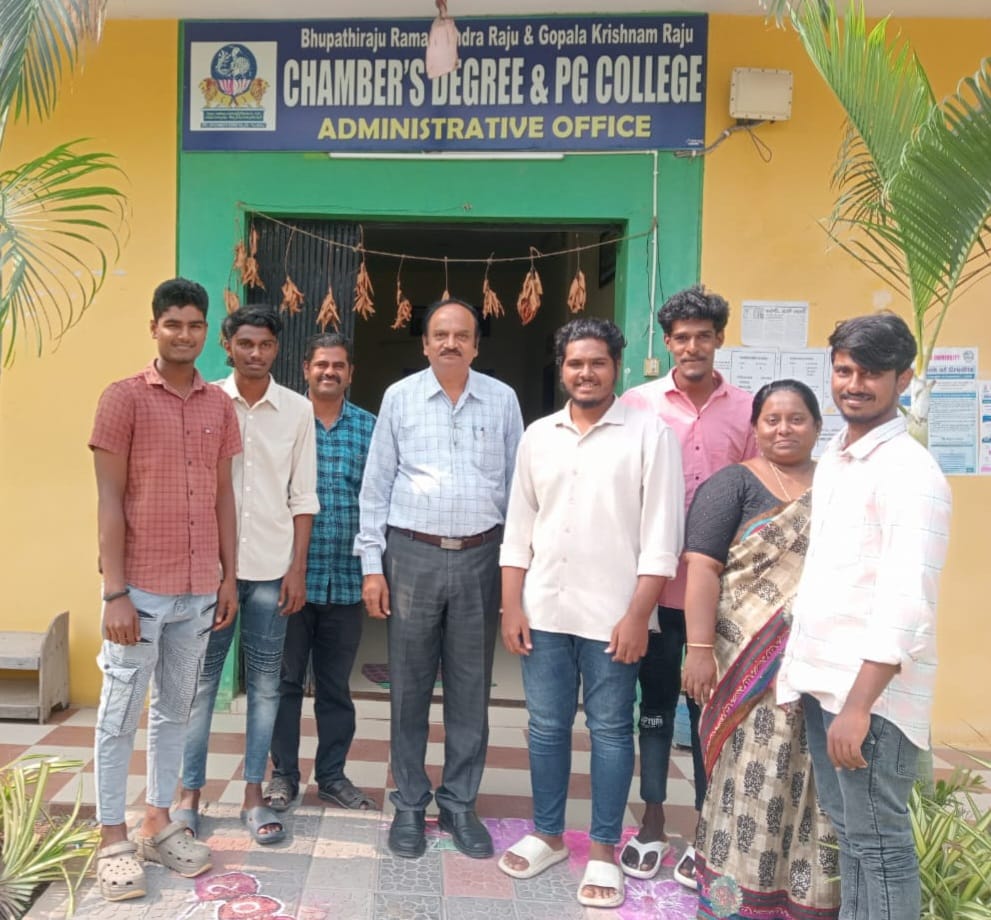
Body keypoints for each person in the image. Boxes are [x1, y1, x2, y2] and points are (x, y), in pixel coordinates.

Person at [498, 318, 684, 909]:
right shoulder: (539, 435)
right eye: (575, 363)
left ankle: (603, 846)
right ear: (562, 369)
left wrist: (637, 616)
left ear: (616, 368)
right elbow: (518, 529)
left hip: (614, 618)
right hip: (544, 610)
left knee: (609, 730)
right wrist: (511, 605)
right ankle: (549, 834)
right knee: (546, 727)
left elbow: (662, 539)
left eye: (597, 362)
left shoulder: (650, 435)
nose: (586, 373)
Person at [778, 313, 952, 920]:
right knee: (852, 836)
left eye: (872, 373)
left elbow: (907, 605)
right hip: (826, 685)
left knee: (880, 846)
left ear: (903, 379)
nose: (854, 384)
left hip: (870, 701)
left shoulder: (911, 473)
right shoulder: (839, 457)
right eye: (845, 370)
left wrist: (858, 707)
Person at [356, 297, 524, 860]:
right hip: (412, 555)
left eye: (462, 335)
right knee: (408, 687)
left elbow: (519, 491)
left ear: (476, 344)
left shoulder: (502, 400)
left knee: (471, 689)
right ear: (425, 344)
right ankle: (409, 803)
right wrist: (372, 567)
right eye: (440, 335)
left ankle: (458, 803)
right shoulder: (399, 397)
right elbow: (375, 488)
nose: (451, 343)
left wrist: (514, 571)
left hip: (481, 555)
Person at [89, 278, 241, 900]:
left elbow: (223, 496)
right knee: (119, 716)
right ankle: (112, 838)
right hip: (141, 591)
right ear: (154, 327)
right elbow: (109, 498)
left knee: (176, 710)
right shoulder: (123, 398)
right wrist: (115, 592)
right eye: (173, 324)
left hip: (198, 590)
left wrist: (228, 577)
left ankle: (157, 822)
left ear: (208, 332)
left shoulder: (218, 406)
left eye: (195, 325)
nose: (184, 334)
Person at [681, 380, 840, 920]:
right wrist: (699, 649)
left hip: (823, 665)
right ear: (755, 428)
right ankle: (733, 902)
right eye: (772, 420)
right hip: (748, 666)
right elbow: (703, 569)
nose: (784, 429)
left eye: (797, 419)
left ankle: (806, 901)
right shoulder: (732, 484)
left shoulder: (839, 485)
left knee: (815, 783)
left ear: (818, 426)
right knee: (746, 781)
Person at [619, 285, 757, 883]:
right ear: (667, 342)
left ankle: (706, 831)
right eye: (682, 338)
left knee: (710, 713)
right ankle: (651, 820)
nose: (693, 346)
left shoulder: (748, 409)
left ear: (719, 339)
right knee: (652, 708)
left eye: (704, 336)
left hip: (720, 595)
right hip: (652, 590)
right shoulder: (638, 404)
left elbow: (758, 494)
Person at [177, 306, 318, 845]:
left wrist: (296, 569)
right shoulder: (206, 400)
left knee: (264, 685)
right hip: (210, 574)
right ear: (227, 345)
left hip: (271, 571)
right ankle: (189, 795)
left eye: (265, 344)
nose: (255, 353)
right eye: (245, 343)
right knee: (200, 685)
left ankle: (254, 795)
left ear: (277, 349)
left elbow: (303, 496)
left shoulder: (297, 410)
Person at [266, 334, 377, 812]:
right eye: (321, 364)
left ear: (350, 373)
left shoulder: (370, 428)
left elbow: (378, 501)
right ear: (306, 369)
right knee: (285, 685)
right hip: (289, 579)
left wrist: (377, 571)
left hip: (346, 580)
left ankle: (332, 776)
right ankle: (283, 776)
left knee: (335, 689)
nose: (329, 372)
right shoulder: (287, 422)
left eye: (339, 365)